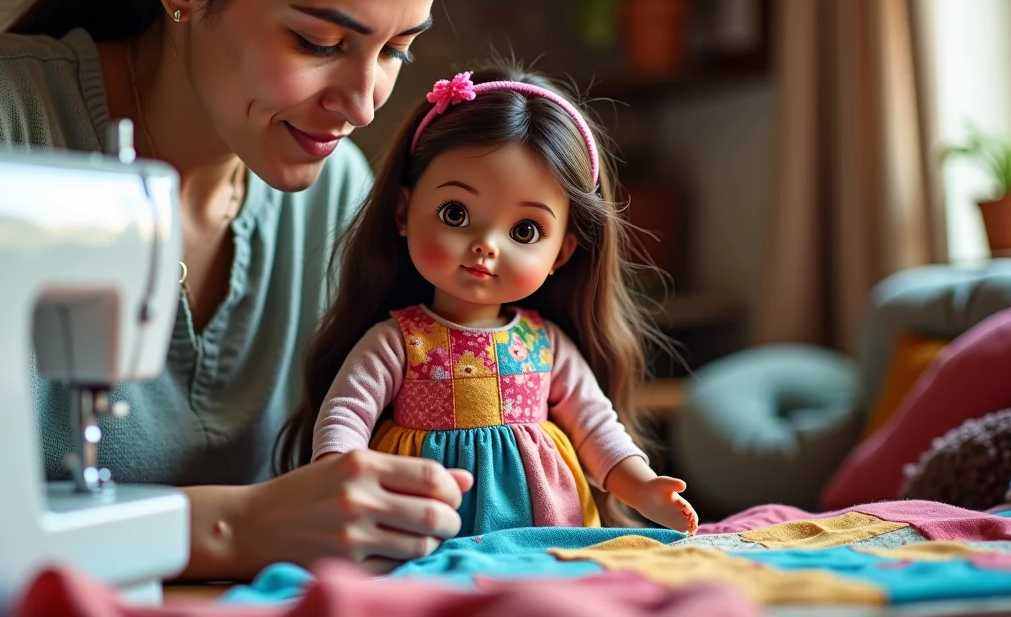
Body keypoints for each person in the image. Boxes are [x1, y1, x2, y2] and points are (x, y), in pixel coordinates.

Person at [0, 0, 492, 580]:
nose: (364, 101)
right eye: (319, 43)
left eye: (397, 52)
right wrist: (231, 527)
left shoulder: (335, 195)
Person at [277, 63, 699, 536]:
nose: (487, 245)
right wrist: (337, 476)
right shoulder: (398, 341)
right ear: (403, 211)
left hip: (544, 528)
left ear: (562, 251)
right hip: (421, 520)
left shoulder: (547, 345)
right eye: (455, 213)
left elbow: (597, 426)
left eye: (525, 230)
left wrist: (642, 488)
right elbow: (346, 413)